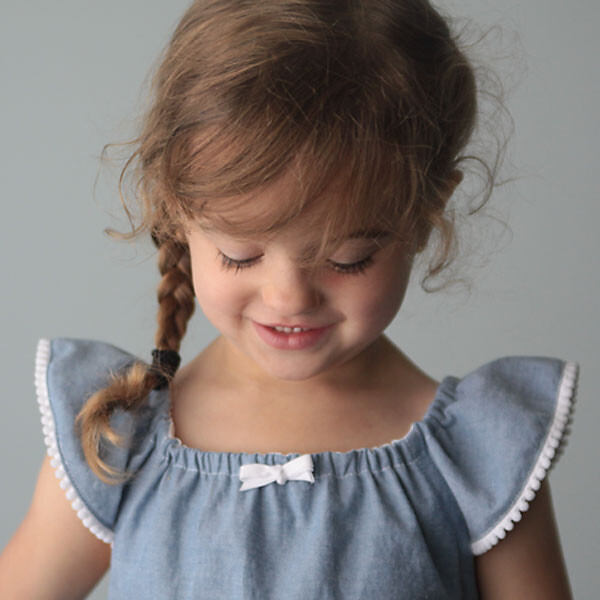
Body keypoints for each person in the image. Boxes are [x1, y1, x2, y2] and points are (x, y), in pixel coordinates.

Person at [0, 1, 579, 598]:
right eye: (241, 254)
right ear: (174, 209)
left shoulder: (480, 459)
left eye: (347, 257)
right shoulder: (117, 436)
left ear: (425, 211)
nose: (289, 296)